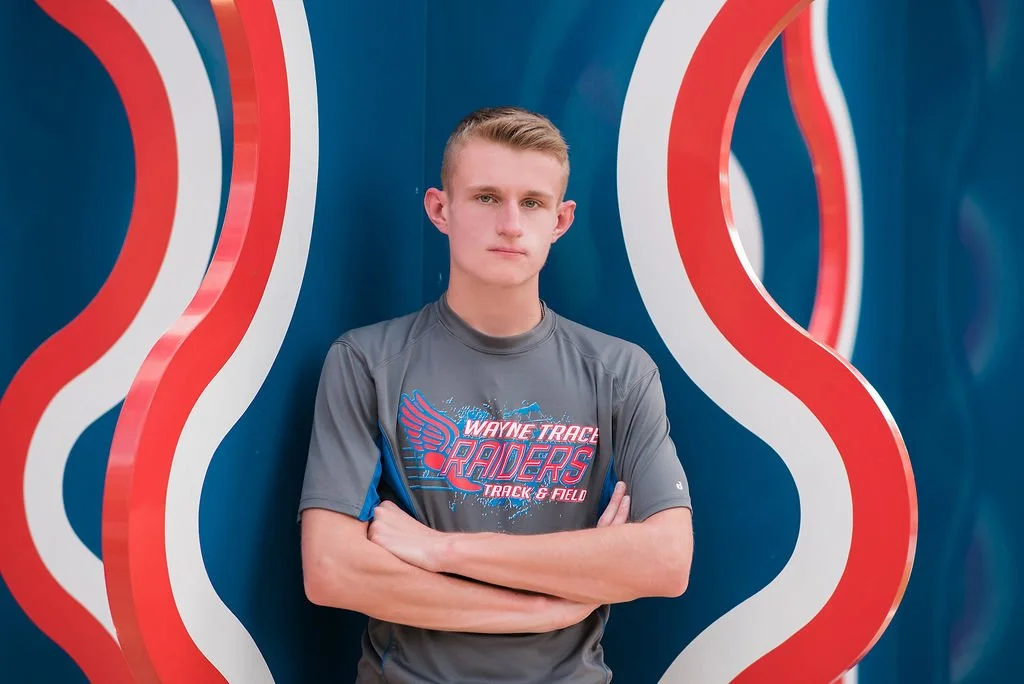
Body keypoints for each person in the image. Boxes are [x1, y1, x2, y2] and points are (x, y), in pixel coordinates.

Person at [298, 106, 694, 683]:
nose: (510, 223)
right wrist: (542, 609)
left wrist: (442, 550)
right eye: (486, 197)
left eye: (532, 203)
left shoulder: (619, 373)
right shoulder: (368, 363)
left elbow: (666, 561)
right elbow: (331, 570)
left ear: (560, 220)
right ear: (441, 209)